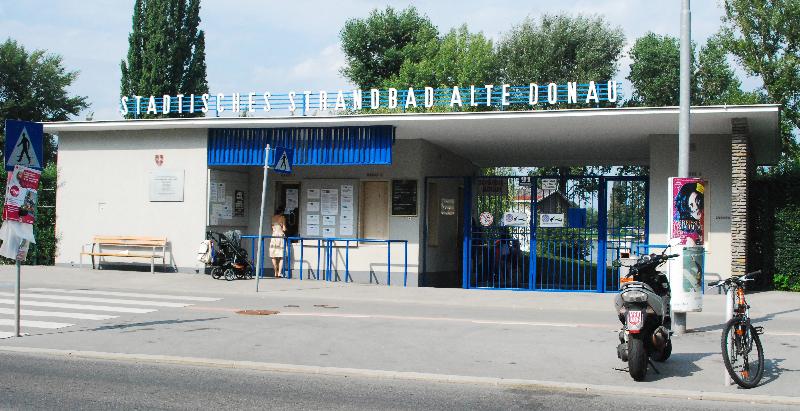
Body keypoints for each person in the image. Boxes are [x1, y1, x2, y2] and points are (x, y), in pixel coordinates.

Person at [269, 206, 287, 278]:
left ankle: (275, 272)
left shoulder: (272, 218)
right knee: (281, 256)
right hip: (280, 237)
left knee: (273, 255)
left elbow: (271, 228)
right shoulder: (282, 218)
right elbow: (284, 229)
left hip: (273, 237)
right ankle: (279, 273)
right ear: (282, 212)